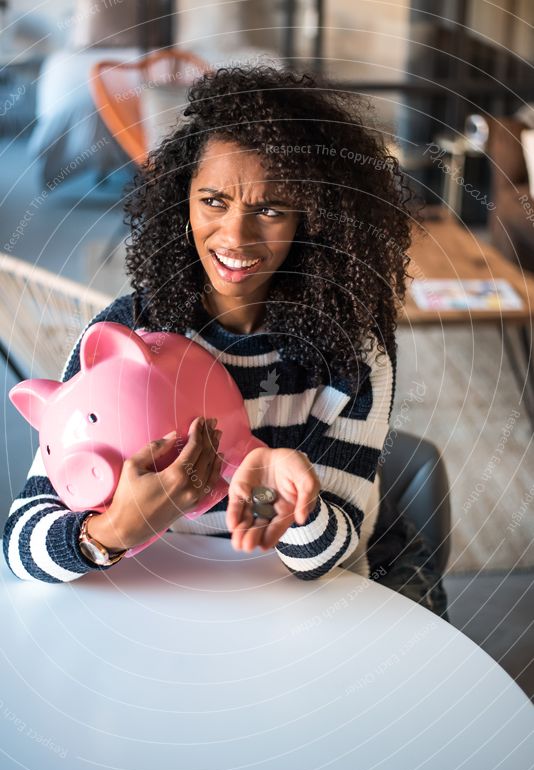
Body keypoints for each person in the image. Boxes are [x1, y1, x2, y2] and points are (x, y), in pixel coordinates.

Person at [3, 65, 448, 618]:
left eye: (270, 209)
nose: (236, 236)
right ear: (181, 199)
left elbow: (323, 560)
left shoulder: (352, 354)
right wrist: (113, 531)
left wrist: (280, 496)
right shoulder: (122, 337)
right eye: (213, 201)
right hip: (155, 599)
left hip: (297, 607)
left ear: (313, 218)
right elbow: (22, 543)